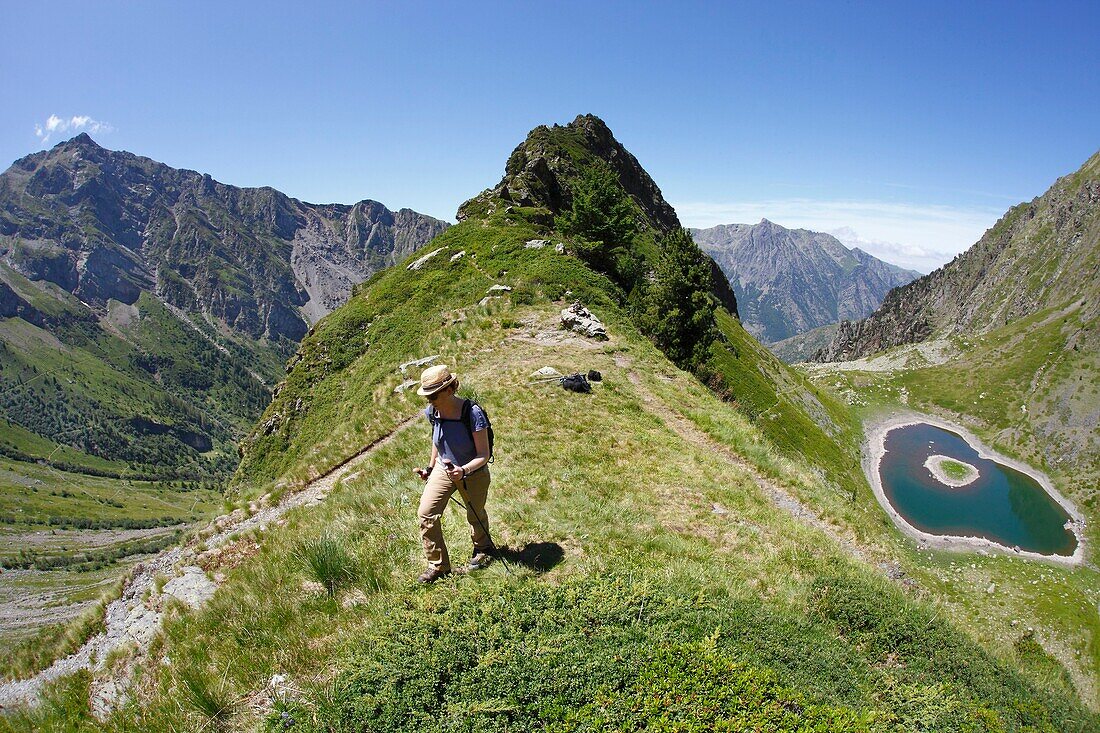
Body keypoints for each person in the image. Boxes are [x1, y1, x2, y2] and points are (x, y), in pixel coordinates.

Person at [413, 364, 495, 583]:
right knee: (426, 513)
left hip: (472, 472)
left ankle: (483, 549)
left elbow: (483, 454)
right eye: (427, 396)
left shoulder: (472, 412)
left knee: (475, 513)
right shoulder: (433, 411)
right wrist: (430, 468)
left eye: (433, 395)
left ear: (449, 389)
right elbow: (437, 440)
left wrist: (463, 470)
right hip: (443, 469)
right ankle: (438, 566)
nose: (429, 400)